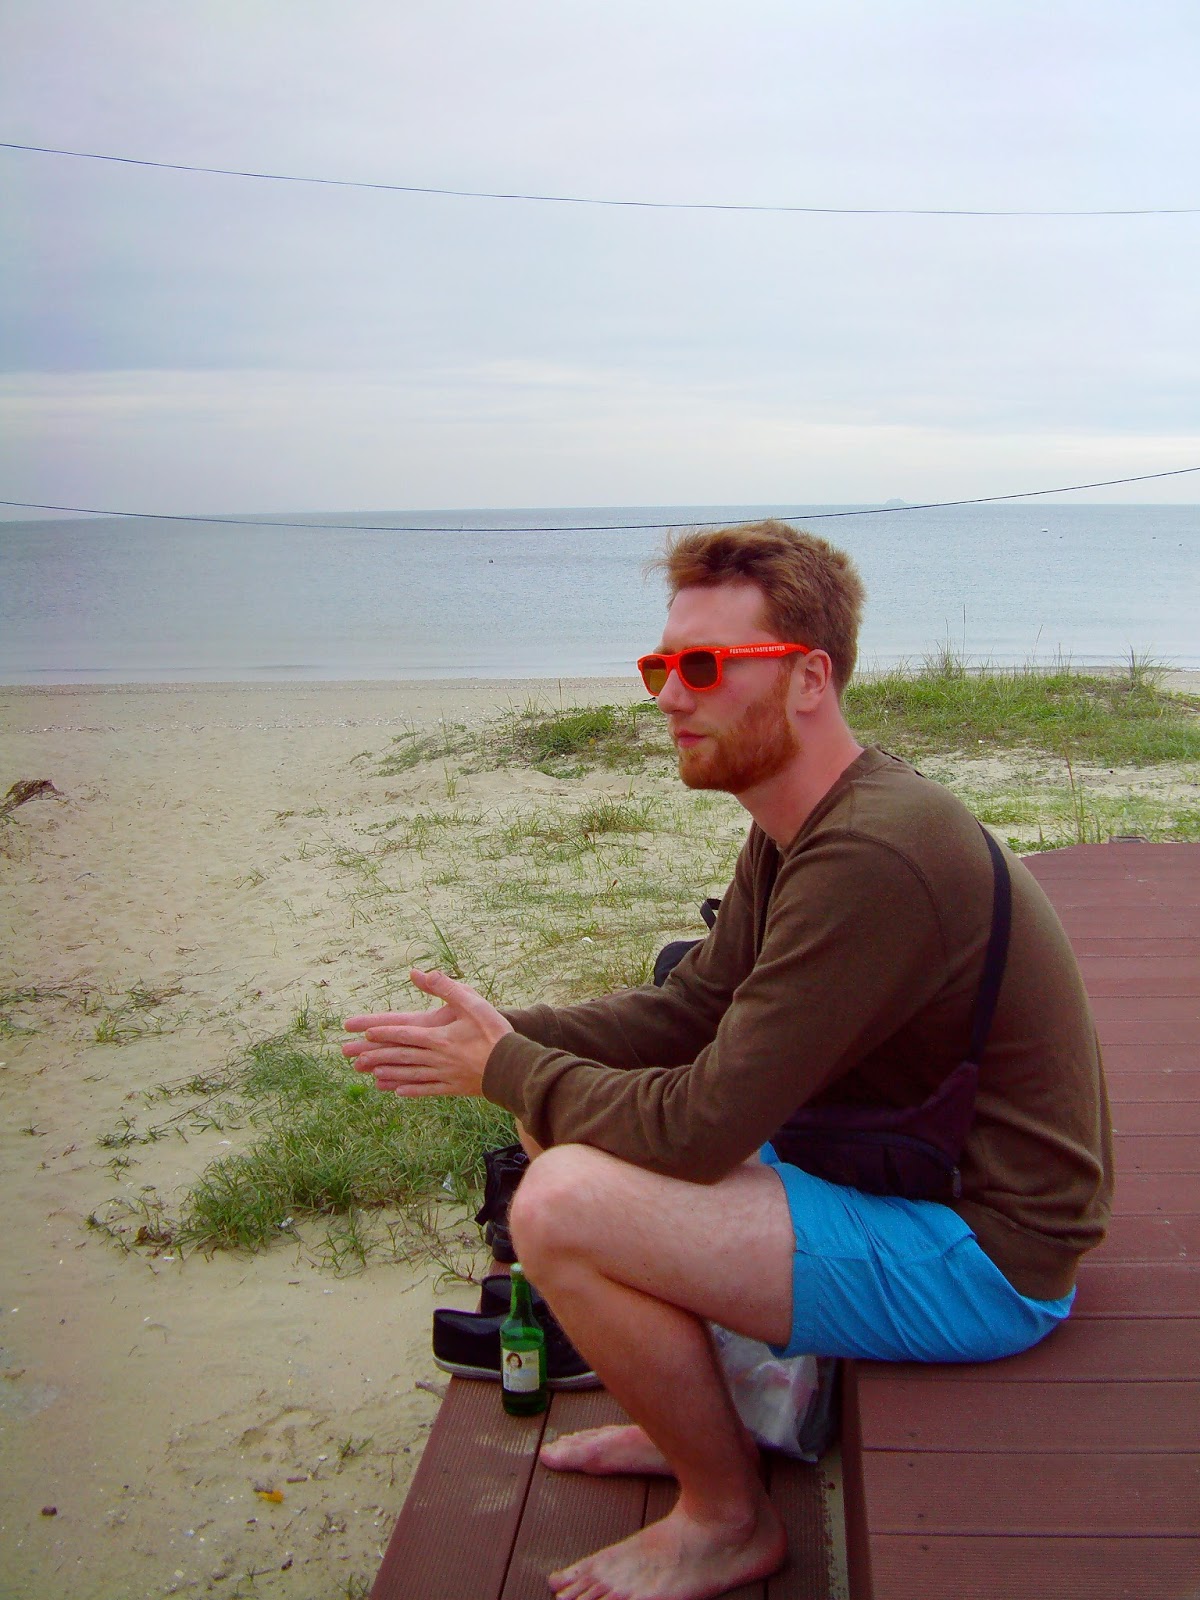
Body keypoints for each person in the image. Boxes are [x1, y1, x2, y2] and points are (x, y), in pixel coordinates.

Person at [343, 520, 1113, 1600]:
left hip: (988, 1258)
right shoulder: (803, 821)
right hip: (910, 1180)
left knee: (561, 1201)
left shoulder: (874, 854)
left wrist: (508, 1065)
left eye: (704, 666)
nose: (668, 696)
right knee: (565, 1122)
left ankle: (725, 1520)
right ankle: (703, 1423)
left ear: (809, 679)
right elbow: (696, 1006)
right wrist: (507, 1033)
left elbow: (701, 1129)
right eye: (660, 666)